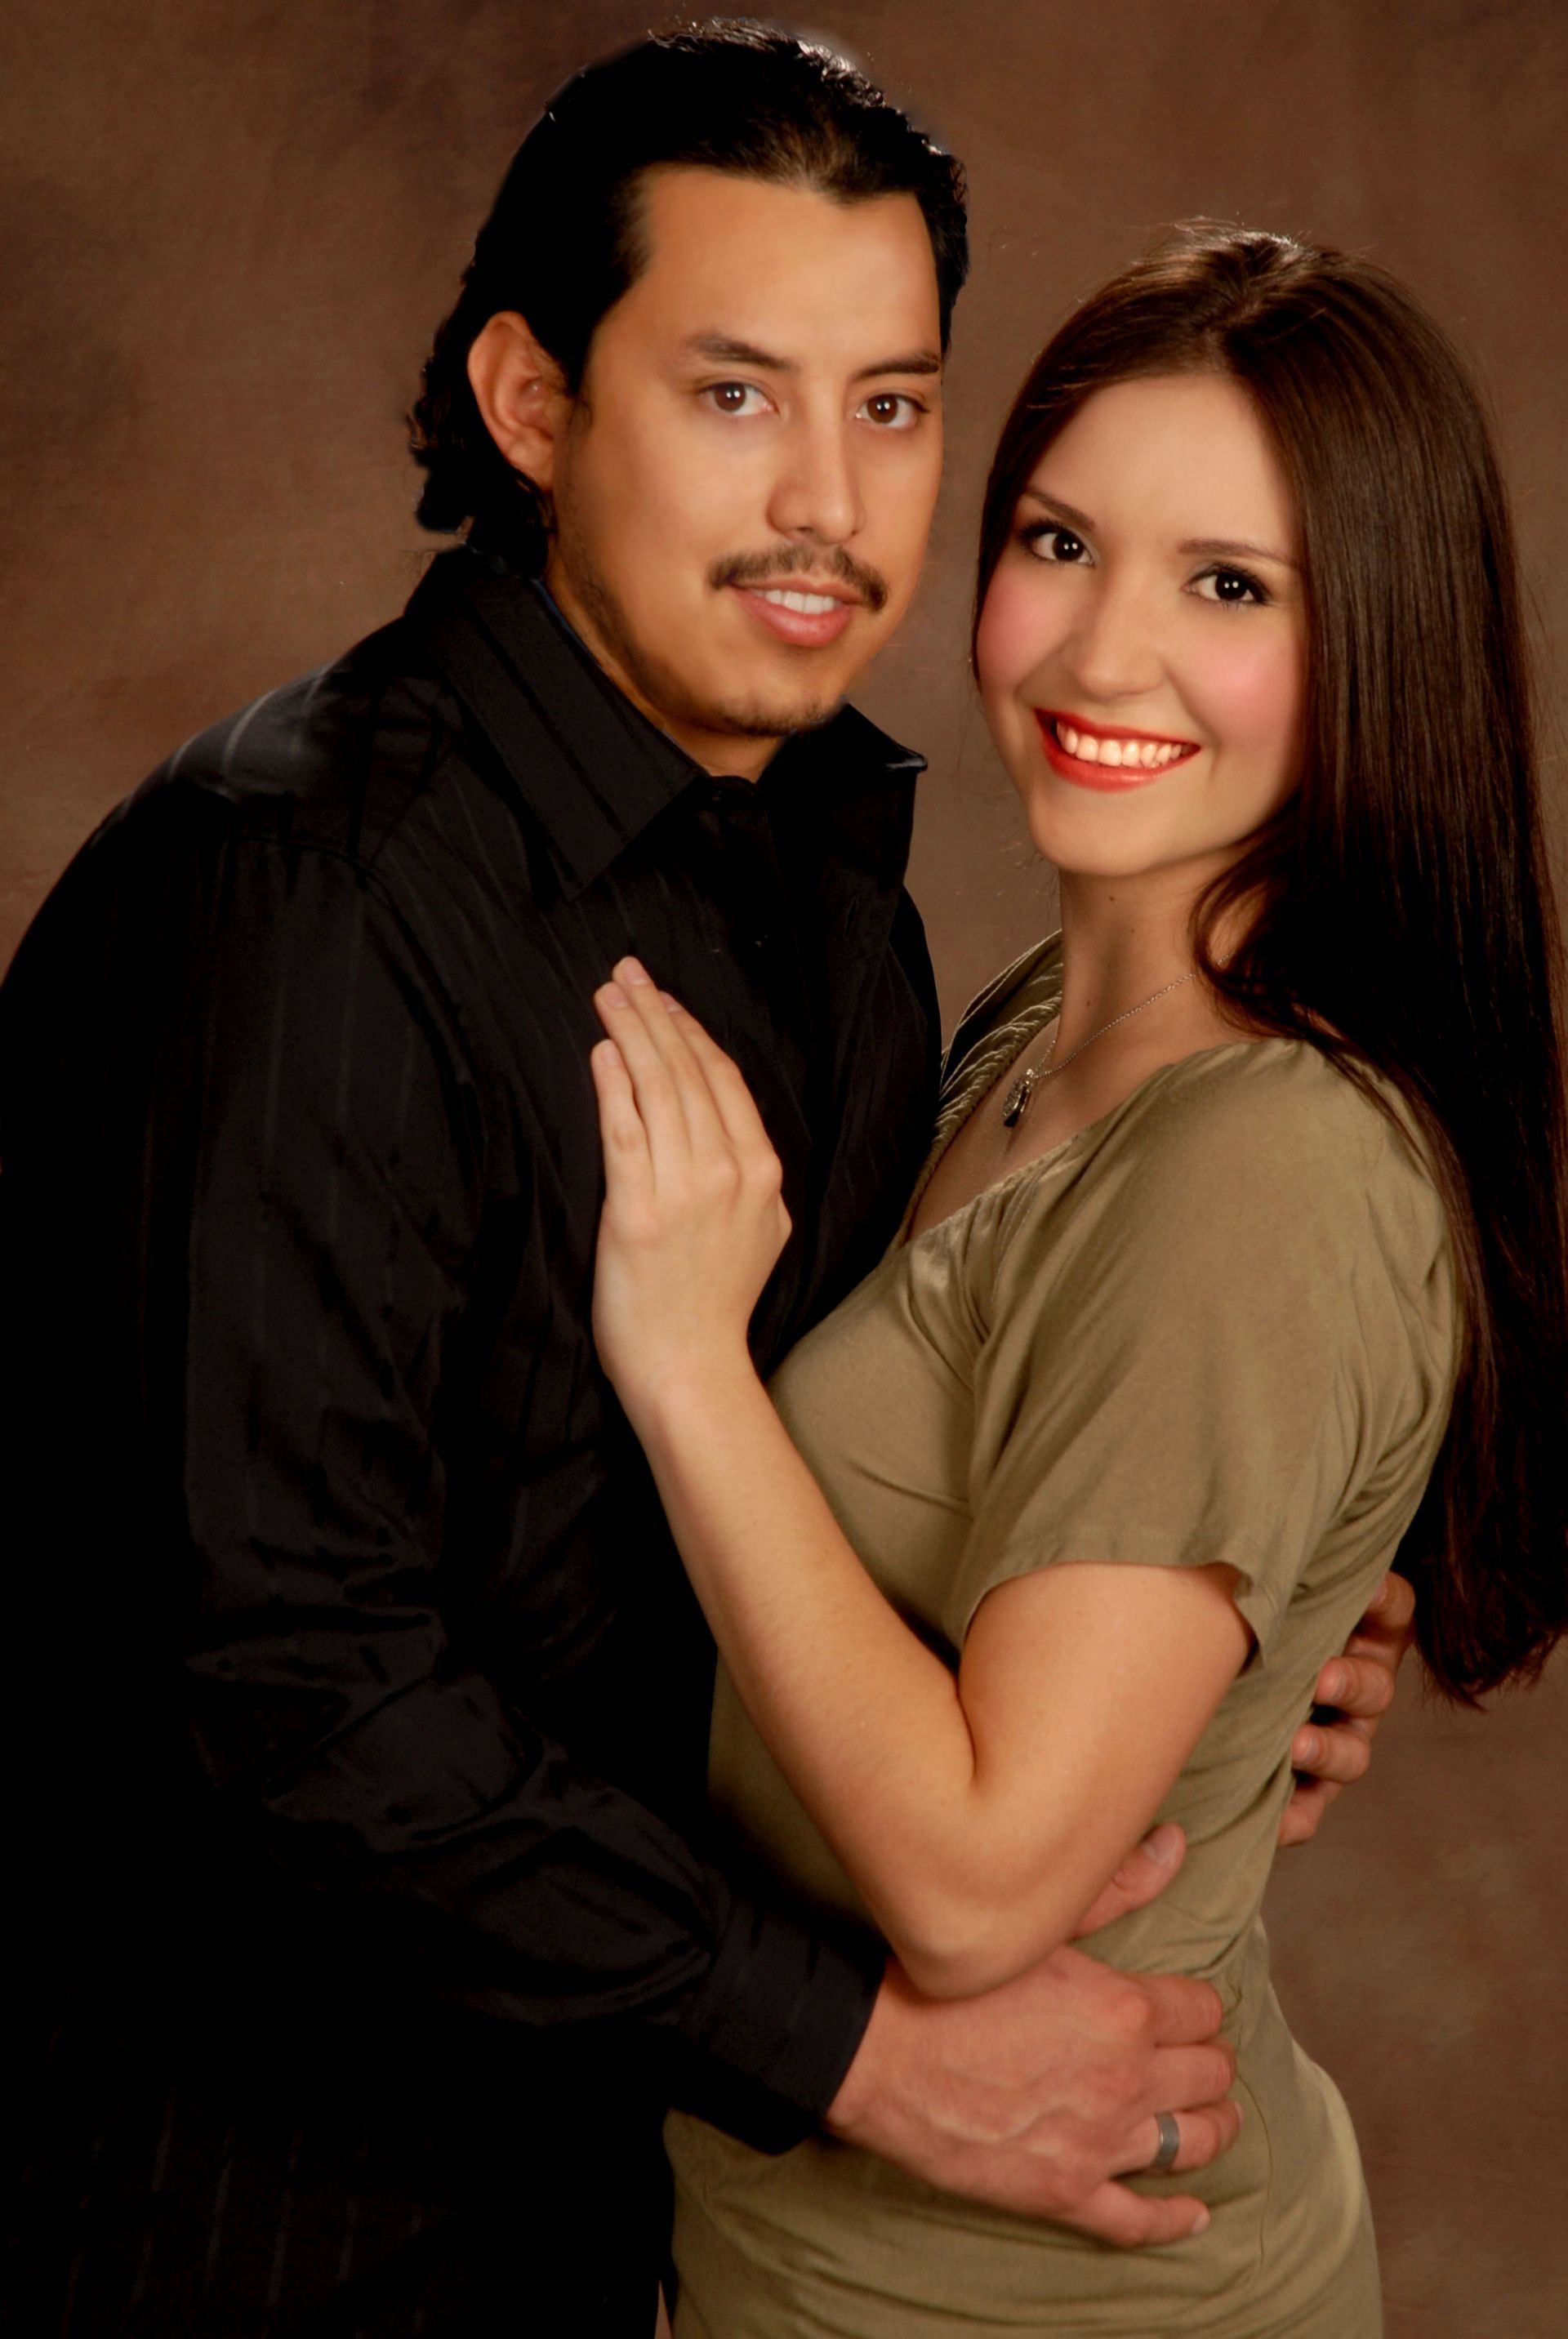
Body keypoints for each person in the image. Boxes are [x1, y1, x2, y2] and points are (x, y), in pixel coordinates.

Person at [0, 30, 1405, 2339]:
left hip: (614, 2210)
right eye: (736, 395)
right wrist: (861, 2053)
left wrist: (1184, 1654)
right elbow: (286, 1688)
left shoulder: (833, 888)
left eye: (892, 406)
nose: (830, 508)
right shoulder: (300, 899)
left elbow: (832, 1492)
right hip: (251, 2230)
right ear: (534, 405)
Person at [586, 224, 1568, 2337]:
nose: (1098, 651)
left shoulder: (1266, 1175)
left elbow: (970, 1887)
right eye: (1060, 540)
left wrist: (686, 1364)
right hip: (788, 2253)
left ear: (1371, 644)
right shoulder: (1042, 1023)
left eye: (1229, 585)